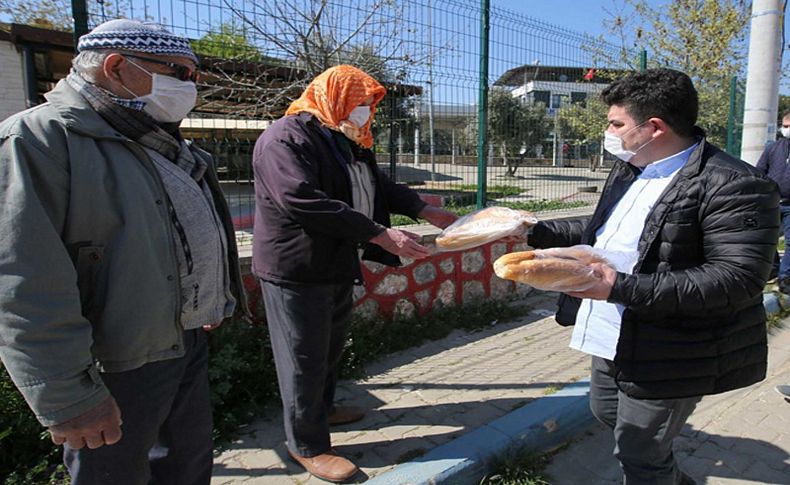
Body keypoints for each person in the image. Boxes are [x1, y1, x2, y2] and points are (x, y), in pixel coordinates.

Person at [0, 19, 247, 484]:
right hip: (109, 362)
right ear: (116, 67)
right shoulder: (37, 141)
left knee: (185, 466)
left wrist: (210, 296)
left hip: (181, 340)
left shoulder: (158, 140)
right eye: (180, 72)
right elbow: (23, 282)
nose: (190, 88)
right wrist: (68, 396)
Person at [529, 68, 779, 485]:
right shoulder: (632, 167)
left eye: (616, 123)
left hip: (672, 346)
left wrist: (618, 287)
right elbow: (605, 234)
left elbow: (736, 279)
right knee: (605, 412)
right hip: (612, 332)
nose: (608, 132)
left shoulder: (735, 184)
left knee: (640, 454)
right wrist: (532, 229)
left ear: (655, 127)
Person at [252, 65, 457, 482]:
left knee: (328, 347)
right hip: (297, 266)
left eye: (369, 104)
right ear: (334, 97)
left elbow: (378, 185)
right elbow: (301, 200)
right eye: (360, 103)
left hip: (336, 261)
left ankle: (322, 408)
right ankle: (306, 444)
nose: (366, 112)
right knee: (302, 357)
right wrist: (380, 234)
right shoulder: (286, 138)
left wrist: (424, 209)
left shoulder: (346, 139)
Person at [756, 110, 790, 293]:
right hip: (772, 202)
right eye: (785, 126)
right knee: (766, 238)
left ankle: (785, 278)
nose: (786, 130)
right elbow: (760, 169)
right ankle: (772, 270)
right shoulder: (774, 148)